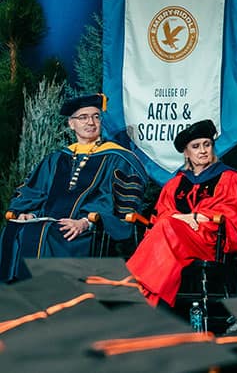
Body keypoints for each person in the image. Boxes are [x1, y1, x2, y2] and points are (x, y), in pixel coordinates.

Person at [0, 94, 147, 282]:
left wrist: (86, 221)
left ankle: (56, 300)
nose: (91, 122)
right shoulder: (56, 159)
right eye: (83, 117)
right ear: (71, 124)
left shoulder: (117, 158)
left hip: (86, 228)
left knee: (52, 234)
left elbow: (122, 201)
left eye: (96, 116)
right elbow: (34, 190)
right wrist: (27, 212)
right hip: (50, 221)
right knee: (15, 230)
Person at [125, 119, 237, 307]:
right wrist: (188, 218)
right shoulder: (175, 183)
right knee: (165, 230)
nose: (202, 151)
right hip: (175, 240)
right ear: (186, 152)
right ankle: (146, 300)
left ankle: (132, 287)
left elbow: (229, 212)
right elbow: (161, 214)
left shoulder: (229, 177)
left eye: (207, 144)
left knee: (165, 227)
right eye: (195, 146)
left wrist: (193, 218)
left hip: (207, 240)